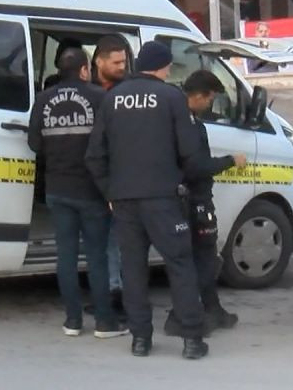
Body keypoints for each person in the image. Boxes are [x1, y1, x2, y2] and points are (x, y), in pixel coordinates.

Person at [85, 40, 209, 360]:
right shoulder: (172, 97)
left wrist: (109, 192)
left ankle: (141, 339)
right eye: (169, 66)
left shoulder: (112, 99)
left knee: (133, 270)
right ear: (163, 67)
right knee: (180, 265)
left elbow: (95, 155)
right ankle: (192, 339)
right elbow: (189, 153)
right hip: (163, 199)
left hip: (125, 200)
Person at [26, 48, 127, 339]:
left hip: (57, 189)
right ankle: (105, 323)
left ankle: (72, 321)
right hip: (91, 191)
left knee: (66, 256)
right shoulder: (99, 97)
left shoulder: (43, 100)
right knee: (96, 256)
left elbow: (34, 143)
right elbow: (115, 141)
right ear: (85, 69)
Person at [164, 70, 247, 337]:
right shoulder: (185, 124)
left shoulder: (181, 119)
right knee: (199, 261)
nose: (210, 105)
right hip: (192, 200)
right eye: (210, 99)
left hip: (190, 199)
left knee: (204, 259)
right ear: (198, 95)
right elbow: (196, 167)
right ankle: (181, 317)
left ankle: (213, 309)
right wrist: (230, 161)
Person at [89, 34, 131, 313]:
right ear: (98, 61)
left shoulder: (128, 91)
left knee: (117, 240)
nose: (121, 67)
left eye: (124, 62)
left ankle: (118, 292)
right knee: (99, 241)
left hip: (121, 179)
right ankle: (108, 290)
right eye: (116, 62)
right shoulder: (86, 91)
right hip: (91, 177)